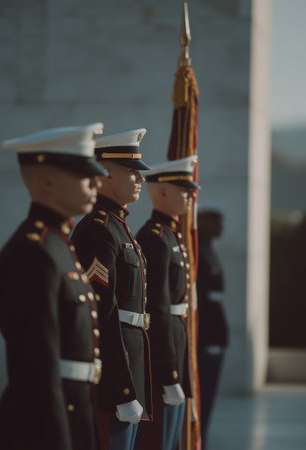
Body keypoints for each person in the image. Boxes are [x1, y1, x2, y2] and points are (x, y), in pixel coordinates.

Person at [0, 124, 106, 450]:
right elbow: (37, 372)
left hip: (74, 412)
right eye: (85, 175)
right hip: (44, 427)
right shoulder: (32, 253)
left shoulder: (57, 244)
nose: (97, 182)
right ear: (47, 183)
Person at [71, 129, 152, 450]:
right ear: (106, 175)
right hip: (114, 384)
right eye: (132, 172)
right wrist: (122, 389)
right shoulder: (99, 230)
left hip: (130, 370)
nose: (140, 179)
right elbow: (102, 312)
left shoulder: (118, 228)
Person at [135, 156, 200, 450]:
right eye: (183, 189)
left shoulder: (172, 235)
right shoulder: (154, 238)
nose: (190, 195)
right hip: (165, 354)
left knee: (172, 440)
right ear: (161, 192)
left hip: (178, 338)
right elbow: (157, 309)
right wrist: (169, 372)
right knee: (158, 441)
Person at [197, 208, 229, 450]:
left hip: (215, 335)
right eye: (216, 221)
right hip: (205, 338)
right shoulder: (198, 250)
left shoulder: (209, 249)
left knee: (208, 399)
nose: (221, 226)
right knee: (202, 400)